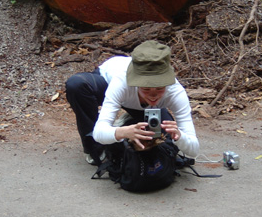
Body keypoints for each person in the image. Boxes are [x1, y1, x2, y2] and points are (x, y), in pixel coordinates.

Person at [65, 40, 199, 165]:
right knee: (76, 85)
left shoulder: (175, 92)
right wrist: (122, 132)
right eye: (146, 88)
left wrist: (180, 137)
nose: (153, 95)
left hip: (146, 107)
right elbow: (99, 133)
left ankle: (129, 119)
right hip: (108, 85)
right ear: (136, 82)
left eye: (159, 88)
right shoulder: (120, 82)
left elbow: (193, 150)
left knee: (164, 141)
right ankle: (95, 150)